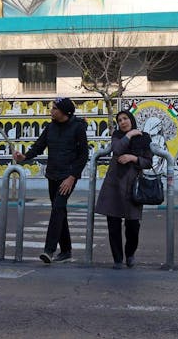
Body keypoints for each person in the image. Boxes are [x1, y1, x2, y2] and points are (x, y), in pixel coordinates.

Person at [12, 97, 89, 264]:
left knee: (57, 209)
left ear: (64, 112)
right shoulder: (50, 127)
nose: (51, 111)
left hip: (68, 176)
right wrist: (24, 157)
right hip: (52, 175)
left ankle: (49, 250)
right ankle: (67, 250)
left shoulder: (77, 128)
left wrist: (72, 177)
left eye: (54, 108)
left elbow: (84, 156)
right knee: (59, 210)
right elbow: (39, 146)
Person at [94, 110, 154, 269]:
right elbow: (118, 150)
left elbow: (148, 162)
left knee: (133, 225)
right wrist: (129, 135)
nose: (123, 122)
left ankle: (130, 254)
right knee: (113, 224)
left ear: (131, 119)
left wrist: (133, 158)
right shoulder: (117, 136)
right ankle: (117, 260)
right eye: (119, 120)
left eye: (125, 118)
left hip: (132, 186)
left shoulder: (144, 137)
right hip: (114, 185)